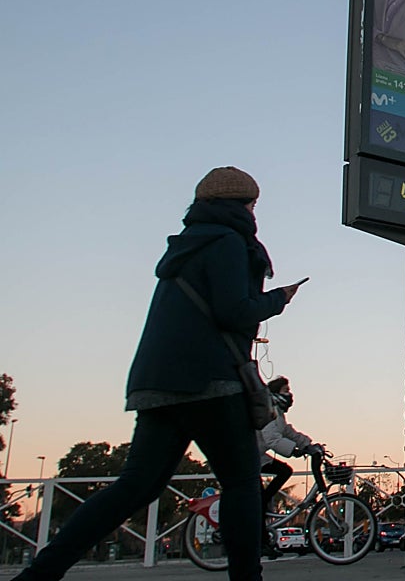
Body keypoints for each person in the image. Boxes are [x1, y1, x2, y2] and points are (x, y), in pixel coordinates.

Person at [12, 167, 307, 581]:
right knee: (242, 485)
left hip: (158, 384)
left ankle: (40, 573)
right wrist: (278, 298)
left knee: (134, 487)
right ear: (242, 206)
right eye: (253, 204)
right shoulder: (228, 242)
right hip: (211, 383)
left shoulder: (183, 249)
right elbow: (233, 311)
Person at [257, 377, 323, 556]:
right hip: (247, 455)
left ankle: (263, 502)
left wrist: (308, 445)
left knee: (284, 472)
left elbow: (288, 432)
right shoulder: (269, 409)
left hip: (257, 455)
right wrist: (293, 451)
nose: (289, 394)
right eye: (286, 390)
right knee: (262, 496)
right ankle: (261, 541)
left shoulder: (277, 412)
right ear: (277, 393)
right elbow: (271, 438)